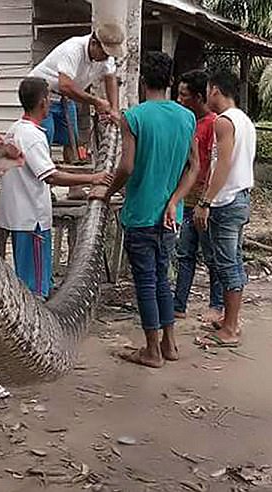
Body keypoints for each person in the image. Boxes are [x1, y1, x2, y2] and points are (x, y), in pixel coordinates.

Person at [90, 51, 200, 368]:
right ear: (170, 81)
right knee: (163, 279)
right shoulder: (186, 117)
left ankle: (151, 350)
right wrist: (175, 200)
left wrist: (109, 190)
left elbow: (126, 165)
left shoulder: (135, 117)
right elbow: (194, 167)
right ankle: (170, 343)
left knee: (146, 281)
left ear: (142, 82)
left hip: (140, 213)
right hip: (170, 215)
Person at [0, 77, 112, 298]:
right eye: (49, 98)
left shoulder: (15, 130)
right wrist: (92, 178)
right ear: (43, 102)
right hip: (32, 218)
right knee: (36, 285)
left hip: (17, 214)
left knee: (26, 276)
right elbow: (51, 177)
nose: (51, 103)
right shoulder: (32, 136)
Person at [194, 70, 256, 347]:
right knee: (234, 259)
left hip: (227, 200)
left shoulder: (224, 121)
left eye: (208, 90)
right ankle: (231, 319)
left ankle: (230, 327)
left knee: (227, 262)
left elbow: (223, 165)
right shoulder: (245, 120)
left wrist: (206, 201)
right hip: (241, 196)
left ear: (215, 90)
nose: (206, 95)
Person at [173, 69, 224, 324]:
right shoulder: (188, 121)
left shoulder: (214, 124)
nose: (180, 99)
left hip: (204, 201)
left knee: (211, 255)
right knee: (185, 253)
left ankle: (216, 304)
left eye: (184, 95)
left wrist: (205, 201)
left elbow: (214, 164)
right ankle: (179, 304)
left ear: (197, 97)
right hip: (187, 198)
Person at [29, 31, 122, 163]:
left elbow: (110, 78)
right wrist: (96, 102)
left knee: (71, 140)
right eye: (105, 53)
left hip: (65, 97)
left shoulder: (106, 57)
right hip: (42, 95)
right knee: (44, 138)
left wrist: (114, 109)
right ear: (94, 44)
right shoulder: (73, 49)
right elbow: (65, 85)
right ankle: (43, 176)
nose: (107, 58)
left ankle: (74, 178)